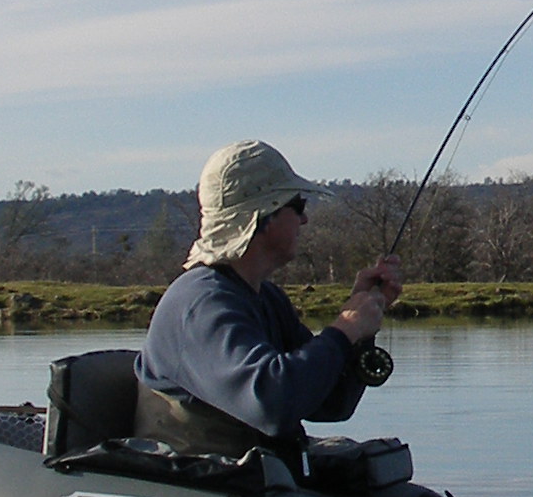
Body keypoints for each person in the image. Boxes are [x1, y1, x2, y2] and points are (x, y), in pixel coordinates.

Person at [135, 141, 402, 464]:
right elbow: (270, 404)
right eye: (298, 205)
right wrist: (344, 329)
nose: (304, 220)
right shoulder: (201, 302)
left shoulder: (264, 297)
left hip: (262, 485)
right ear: (264, 215)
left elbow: (332, 402)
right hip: (219, 494)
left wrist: (361, 326)